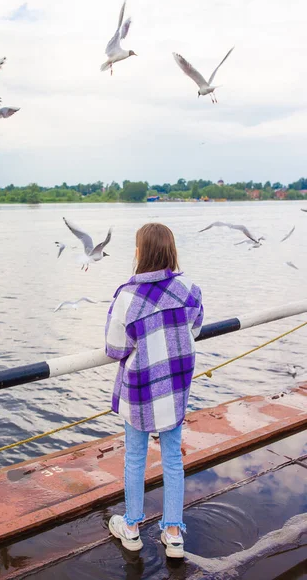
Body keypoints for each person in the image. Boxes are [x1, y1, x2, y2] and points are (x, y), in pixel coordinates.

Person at [105, 223, 203, 558]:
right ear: (171, 251)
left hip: (141, 390)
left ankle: (131, 527)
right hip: (174, 388)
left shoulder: (127, 297)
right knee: (173, 457)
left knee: (135, 456)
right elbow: (196, 327)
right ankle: (173, 532)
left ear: (140, 253)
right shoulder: (189, 288)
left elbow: (115, 348)